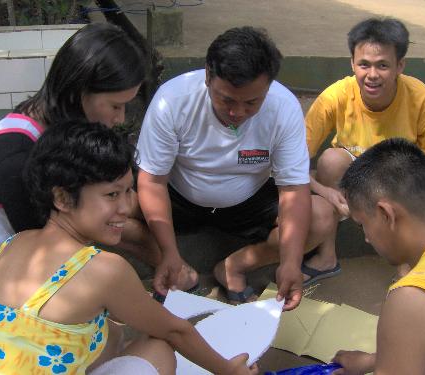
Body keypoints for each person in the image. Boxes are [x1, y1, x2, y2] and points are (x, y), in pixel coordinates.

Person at [0, 121, 258, 375]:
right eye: (112, 194)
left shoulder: (14, 242)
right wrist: (228, 369)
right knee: (158, 348)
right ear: (63, 199)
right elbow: (175, 330)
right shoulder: (103, 269)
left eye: (129, 191)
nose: (126, 207)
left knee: (110, 330)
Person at [0, 22, 150, 349]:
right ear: (80, 93)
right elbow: (65, 250)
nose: (120, 119)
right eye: (116, 106)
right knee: (118, 341)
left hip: (24, 289)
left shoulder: (54, 130)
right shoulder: (15, 157)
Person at [136, 26, 340, 310]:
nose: (237, 113)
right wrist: (169, 253)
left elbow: (293, 189)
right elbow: (153, 182)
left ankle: (234, 266)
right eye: (227, 100)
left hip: (248, 200)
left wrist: (291, 263)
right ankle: (176, 268)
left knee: (321, 217)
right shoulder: (172, 100)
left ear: (268, 87)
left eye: (251, 102)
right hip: (179, 197)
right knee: (110, 210)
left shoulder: (283, 108)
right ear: (208, 76)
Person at [305, 17, 425, 278]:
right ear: (352, 63)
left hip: (397, 177)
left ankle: (405, 262)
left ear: (400, 65)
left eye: (383, 65)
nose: (372, 75)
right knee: (330, 161)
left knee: (410, 179)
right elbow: (295, 158)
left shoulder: (422, 98)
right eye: (364, 64)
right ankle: (326, 255)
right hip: (352, 174)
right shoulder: (335, 96)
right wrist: (322, 189)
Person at [331, 138, 425, 375]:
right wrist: (376, 360)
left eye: (362, 225)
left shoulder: (411, 300)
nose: (367, 239)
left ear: (386, 214)